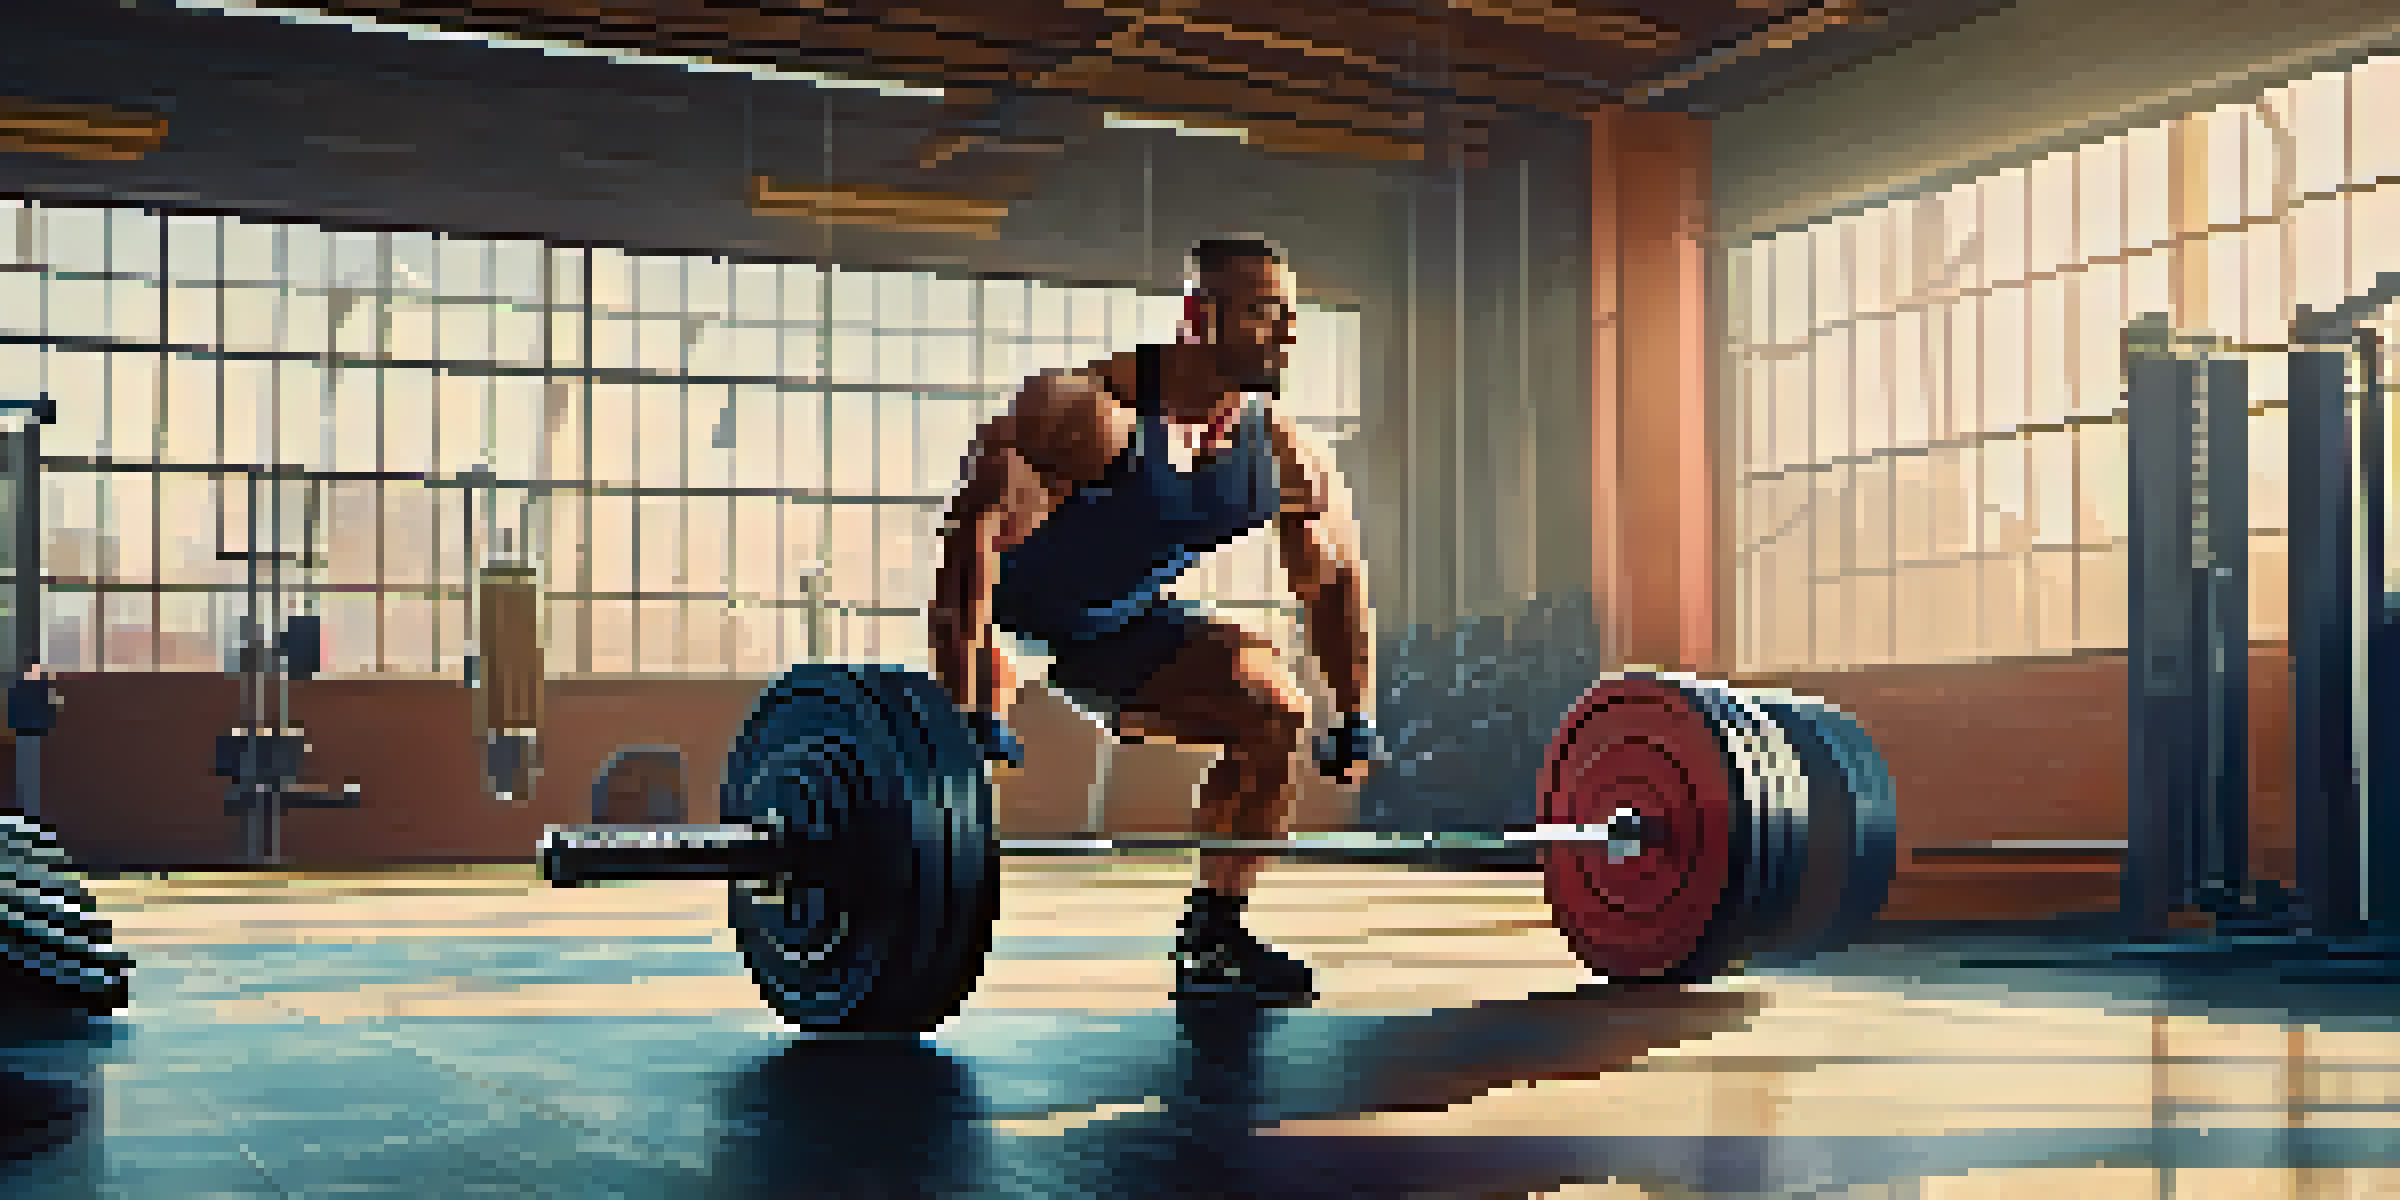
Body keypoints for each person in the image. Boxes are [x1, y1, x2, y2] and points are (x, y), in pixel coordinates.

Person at [930, 236, 1381, 1005]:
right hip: (1009, 616)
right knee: (977, 724)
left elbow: (1333, 584)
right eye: (1264, 313)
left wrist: (1357, 713)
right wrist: (966, 699)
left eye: (1290, 315)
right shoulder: (1084, 414)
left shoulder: (1281, 455)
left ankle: (1215, 936)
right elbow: (972, 547)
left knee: (1276, 712)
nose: (1287, 334)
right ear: (1198, 316)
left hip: (1122, 632)